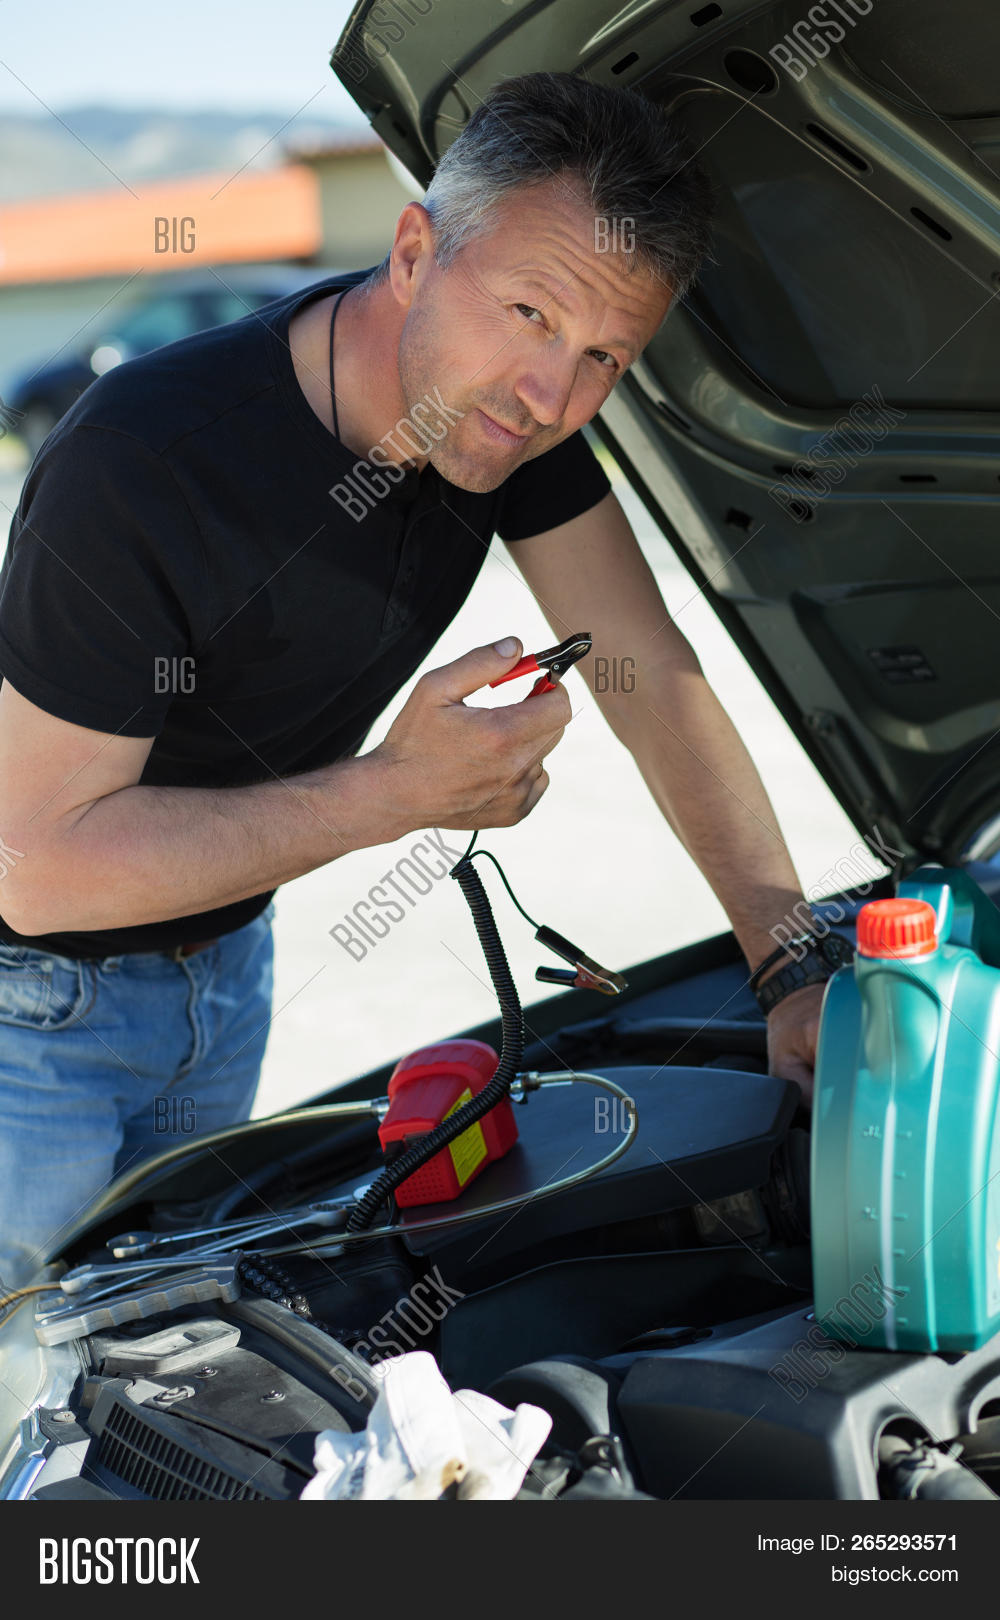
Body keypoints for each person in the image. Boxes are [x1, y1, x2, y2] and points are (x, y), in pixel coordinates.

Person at [0, 71, 829, 1288]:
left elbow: (644, 668)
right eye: (531, 313)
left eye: (604, 354)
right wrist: (397, 791)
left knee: (156, 1349)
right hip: (30, 1013)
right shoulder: (142, 463)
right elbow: (35, 869)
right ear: (410, 253)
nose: (553, 394)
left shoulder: (505, 419)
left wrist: (788, 963)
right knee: (21, 1355)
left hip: (225, 966)